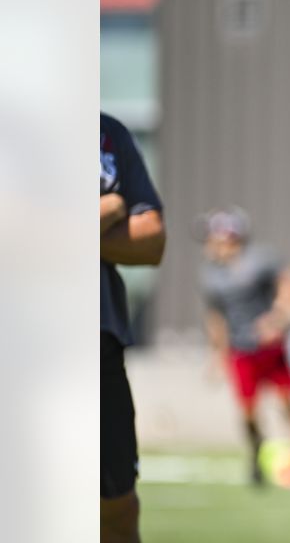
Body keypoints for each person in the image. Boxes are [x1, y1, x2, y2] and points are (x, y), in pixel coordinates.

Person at [199, 206, 290, 489]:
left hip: (270, 348)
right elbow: (216, 316)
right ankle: (256, 457)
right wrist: (217, 353)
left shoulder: (260, 259)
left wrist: (279, 317)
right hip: (241, 351)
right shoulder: (211, 274)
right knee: (248, 413)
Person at [101, 113, 166, 543]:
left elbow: (151, 240)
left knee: (117, 506)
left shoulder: (108, 132)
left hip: (98, 340)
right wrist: (109, 206)